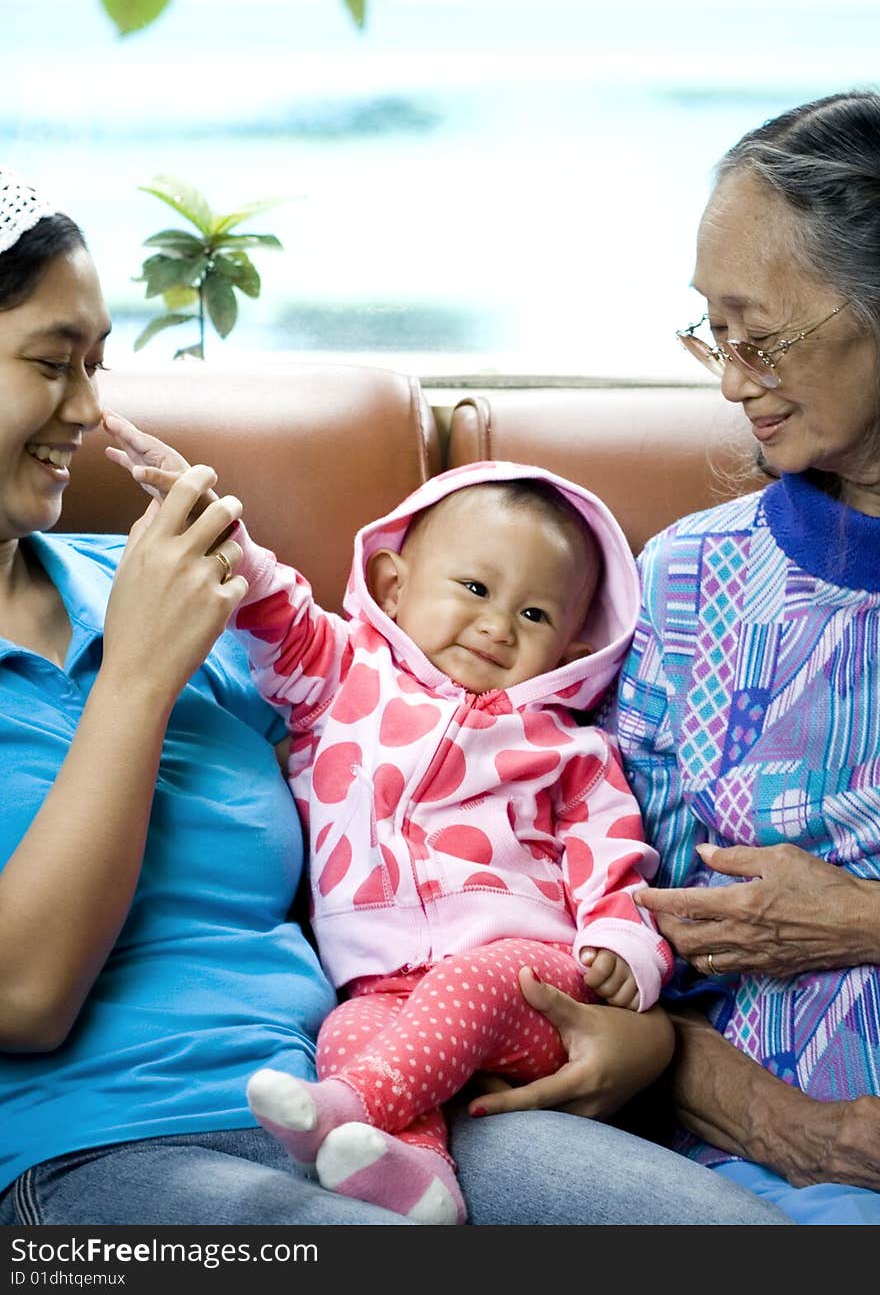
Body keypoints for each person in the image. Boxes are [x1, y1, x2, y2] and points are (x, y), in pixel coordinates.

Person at [0, 165, 791, 1229]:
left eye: (100, 364)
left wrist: (637, 1033)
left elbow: (399, 753)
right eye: (55, 363)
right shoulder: (156, 613)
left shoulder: (154, 577)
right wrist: (137, 676)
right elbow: (24, 1000)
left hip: (403, 1096)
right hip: (95, 1145)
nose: (94, 411)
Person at [474, 90, 880, 1226]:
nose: (729, 375)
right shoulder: (692, 582)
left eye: (767, 335)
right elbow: (608, 920)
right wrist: (778, 1122)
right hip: (729, 1157)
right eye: (714, 329)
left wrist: (859, 918)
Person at [104, 436, 675, 1223]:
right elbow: (278, 614)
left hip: (529, 980)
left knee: (451, 998)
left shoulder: (566, 745)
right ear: (392, 586)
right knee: (347, 1029)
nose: (497, 624)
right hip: (382, 984)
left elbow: (610, 851)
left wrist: (624, 944)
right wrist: (219, 535)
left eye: (535, 613)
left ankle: (352, 1104)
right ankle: (420, 1178)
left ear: (574, 646)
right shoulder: (342, 678)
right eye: (474, 587)